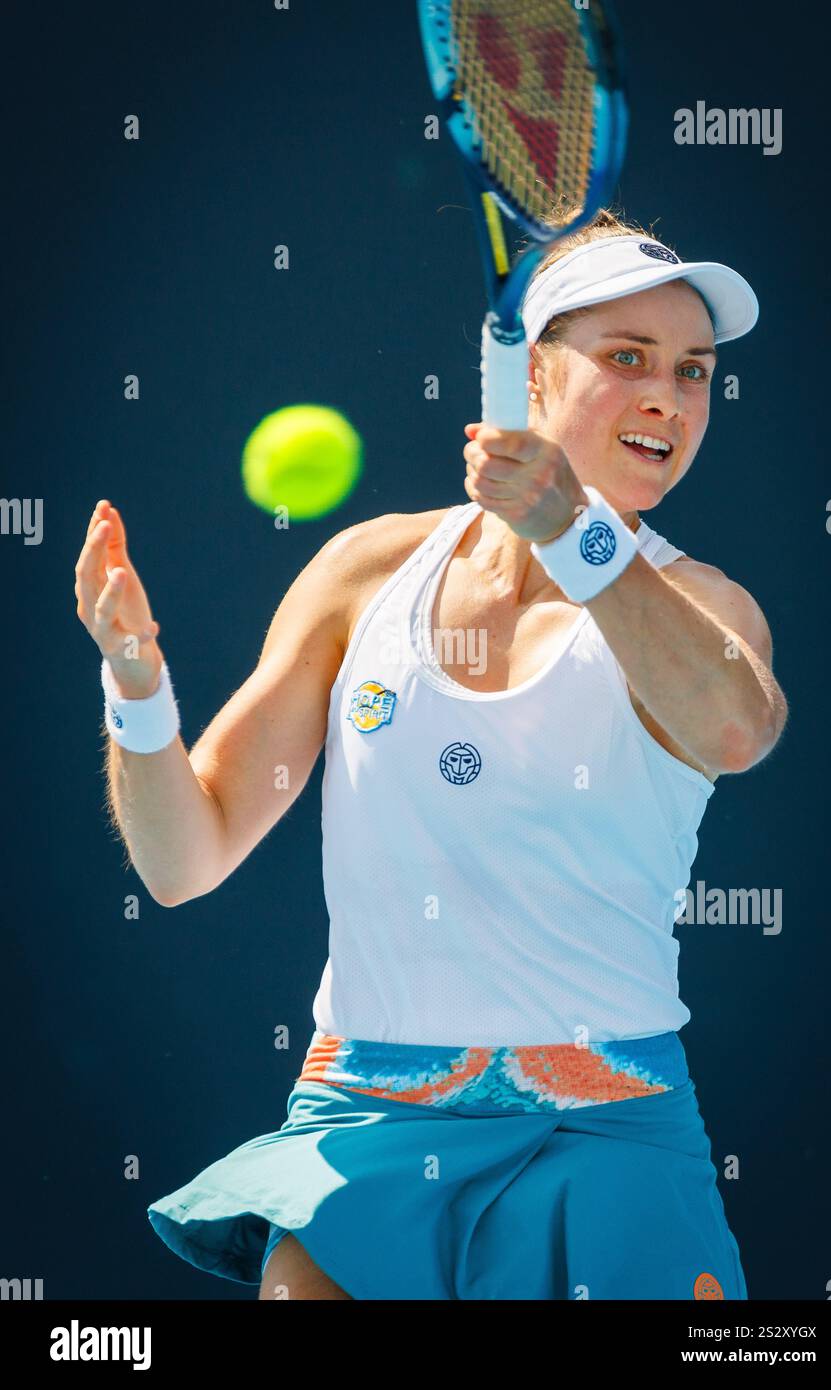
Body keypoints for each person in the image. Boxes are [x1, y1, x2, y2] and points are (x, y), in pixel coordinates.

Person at [75, 208, 788, 1301]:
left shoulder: (694, 603)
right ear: (528, 376)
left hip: (608, 1130)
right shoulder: (365, 573)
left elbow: (734, 727)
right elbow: (186, 858)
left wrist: (571, 531)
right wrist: (135, 683)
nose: (668, 398)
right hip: (362, 1117)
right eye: (627, 358)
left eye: (692, 372)